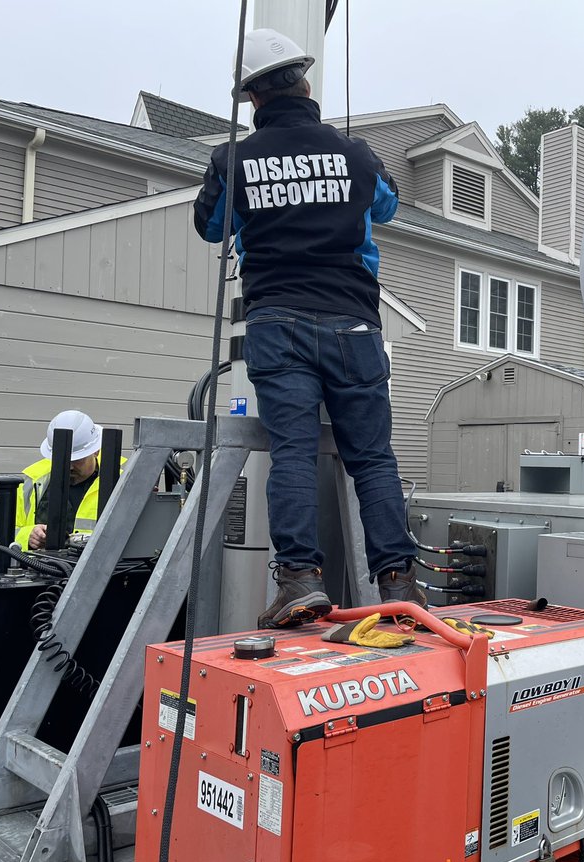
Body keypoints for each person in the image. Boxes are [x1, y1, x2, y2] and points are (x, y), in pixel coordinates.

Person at [193, 28, 426, 629]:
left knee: (293, 450)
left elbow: (211, 227)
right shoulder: (354, 154)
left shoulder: (235, 158)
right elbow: (387, 207)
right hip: (354, 327)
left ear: (251, 99)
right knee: (371, 458)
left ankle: (299, 579)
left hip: (277, 325)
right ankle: (399, 581)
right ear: (304, 83)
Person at [17, 410, 110, 550]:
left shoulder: (120, 482)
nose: (70, 466)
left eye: (77, 459)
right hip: (41, 568)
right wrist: (28, 535)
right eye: (63, 459)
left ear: (96, 451)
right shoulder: (32, 481)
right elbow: (6, 532)